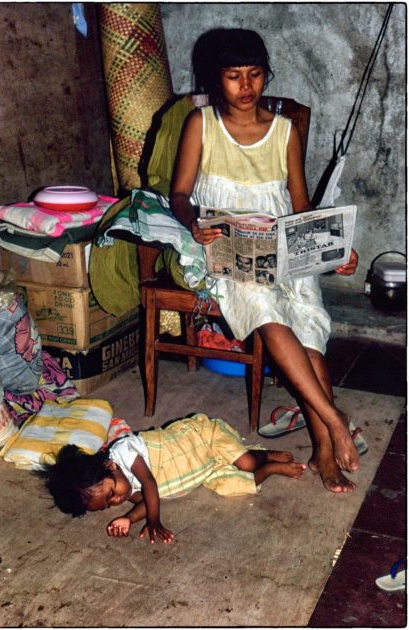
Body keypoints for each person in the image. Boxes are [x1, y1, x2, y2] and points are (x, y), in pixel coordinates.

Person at [169, 28, 359, 494]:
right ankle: (334, 422)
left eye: (254, 75)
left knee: (308, 323)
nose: (246, 85)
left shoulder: (284, 132)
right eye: (233, 77)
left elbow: (299, 208)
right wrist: (194, 222)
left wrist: (333, 251)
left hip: (282, 247)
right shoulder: (202, 125)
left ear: (264, 76)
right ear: (218, 81)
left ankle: (323, 449)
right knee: (266, 308)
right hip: (229, 251)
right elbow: (179, 193)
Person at [39, 414, 306, 543]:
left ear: (109, 466)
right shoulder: (123, 485)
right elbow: (143, 501)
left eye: (111, 493)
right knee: (235, 487)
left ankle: (261, 455)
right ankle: (270, 469)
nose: (118, 499)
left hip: (203, 439)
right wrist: (129, 518)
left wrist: (154, 520)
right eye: (110, 504)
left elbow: (150, 485)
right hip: (202, 470)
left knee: (246, 463)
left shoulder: (124, 452)